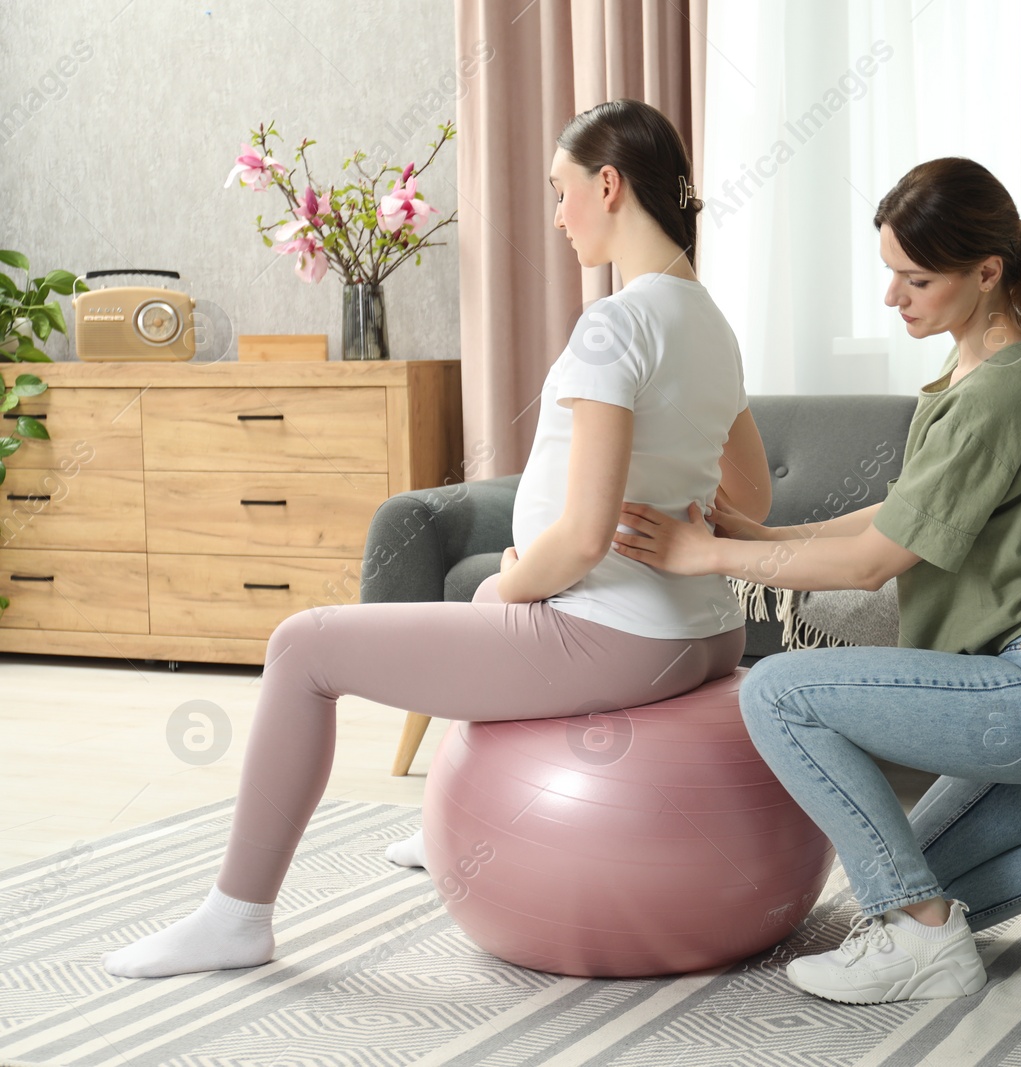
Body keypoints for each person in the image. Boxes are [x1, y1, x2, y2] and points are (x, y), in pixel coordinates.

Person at [101, 98, 763, 978]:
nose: (558, 217)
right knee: (495, 594)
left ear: (610, 186)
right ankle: (452, 823)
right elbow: (747, 491)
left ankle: (236, 916)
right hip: (703, 633)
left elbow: (584, 531)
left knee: (302, 648)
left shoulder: (618, 322)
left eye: (564, 191)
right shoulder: (709, 320)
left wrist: (528, 572)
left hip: (619, 633)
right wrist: (664, 514)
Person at [610, 157, 1021, 1005]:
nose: (895, 298)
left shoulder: (1003, 392)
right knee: (904, 880)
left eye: (916, 279)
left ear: (987, 272)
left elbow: (872, 565)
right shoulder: (983, 373)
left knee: (778, 692)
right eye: (891, 274)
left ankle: (925, 947)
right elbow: (895, 513)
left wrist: (705, 555)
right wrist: (764, 533)